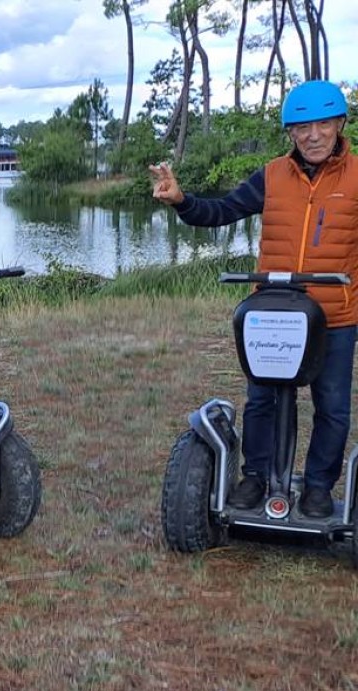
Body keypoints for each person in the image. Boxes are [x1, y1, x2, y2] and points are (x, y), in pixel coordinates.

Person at [150, 79, 357, 518]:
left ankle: (319, 488)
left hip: (336, 317)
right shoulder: (272, 175)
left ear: (340, 124)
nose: (314, 135)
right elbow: (222, 211)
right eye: (302, 127)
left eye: (323, 123)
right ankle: (256, 477)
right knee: (262, 399)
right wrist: (182, 200)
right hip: (275, 312)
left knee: (333, 407)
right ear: (290, 134)